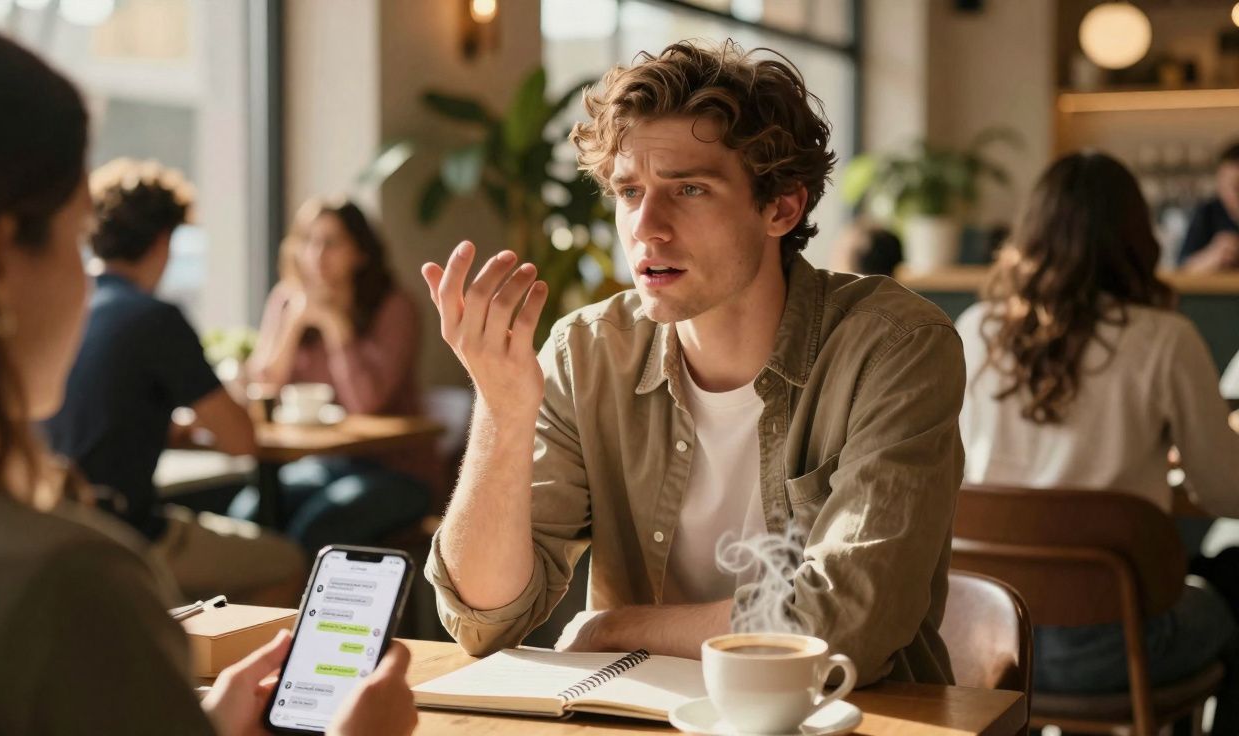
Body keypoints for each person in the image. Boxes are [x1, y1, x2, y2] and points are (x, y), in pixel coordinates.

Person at [420, 40, 966, 687]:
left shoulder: (894, 347)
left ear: (781, 207)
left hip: (853, 722)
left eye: (689, 189)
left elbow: (844, 626)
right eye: (629, 191)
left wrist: (614, 629)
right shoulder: (586, 352)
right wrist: (502, 414)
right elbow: (484, 618)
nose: (647, 227)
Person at [0, 16, 415, 736]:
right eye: (74, 235)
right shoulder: (70, 586)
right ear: (1, 260)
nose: (90, 284)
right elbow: (249, 416)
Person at [957, 151, 1239, 729]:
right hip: (1119, 649)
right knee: (1228, 586)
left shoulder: (975, 330)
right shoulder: (1164, 339)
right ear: (1137, 237)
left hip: (990, 643)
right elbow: (1227, 494)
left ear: (1030, 231)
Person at [42, 157, 306, 606]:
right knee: (287, 561)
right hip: (125, 532)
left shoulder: (64, 308)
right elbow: (241, 440)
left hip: (56, 524)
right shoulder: (155, 319)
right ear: (163, 241)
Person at [238, 198, 434, 551]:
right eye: (307, 240)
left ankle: (297, 606)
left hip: (397, 470)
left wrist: (336, 327)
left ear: (360, 253)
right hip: (326, 464)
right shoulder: (287, 301)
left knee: (317, 530)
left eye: (331, 242)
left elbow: (365, 404)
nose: (316, 254)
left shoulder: (395, 308)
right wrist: (293, 326)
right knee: (246, 516)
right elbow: (260, 391)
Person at [1178, 140, 1239, 272]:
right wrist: (1212, 256)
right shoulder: (1207, 212)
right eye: (1230, 185)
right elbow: (1181, 270)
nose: (1235, 194)